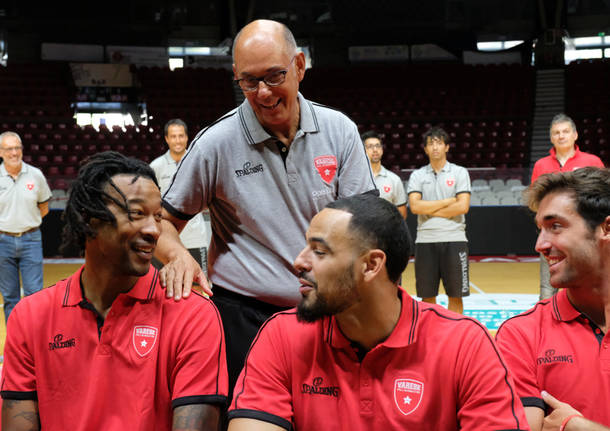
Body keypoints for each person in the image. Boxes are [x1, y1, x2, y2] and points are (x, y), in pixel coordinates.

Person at [155, 19, 376, 395]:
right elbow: (161, 222)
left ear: (300, 66)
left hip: (328, 311)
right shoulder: (215, 143)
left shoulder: (339, 130)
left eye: (275, 76)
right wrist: (176, 254)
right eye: (248, 81)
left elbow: (366, 224)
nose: (262, 93)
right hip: (243, 316)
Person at [227, 194, 528, 431]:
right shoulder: (281, 335)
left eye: (319, 251)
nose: (298, 261)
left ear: (371, 265)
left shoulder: (465, 343)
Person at [0, 152, 228, 430]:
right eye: (136, 213)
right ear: (89, 219)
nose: (153, 230)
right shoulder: (30, 317)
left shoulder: (193, 315)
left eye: (157, 216)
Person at [495, 167, 610, 431]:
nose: (540, 245)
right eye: (540, 229)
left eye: (555, 226)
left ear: (606, 228)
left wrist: (579, 427)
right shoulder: (520, 336)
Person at [530, 113, 604, 300]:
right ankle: (547, 327)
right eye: (556, 133)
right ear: (551, 137)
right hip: (552, 235)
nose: (561, 136)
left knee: (586, 281)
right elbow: (534, 201)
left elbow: (604, 198)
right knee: (548, 287)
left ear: (575, 135)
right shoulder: (541, 165)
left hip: (585, 236)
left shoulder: (592, 162)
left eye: (565, 131)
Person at [407, 126, 471, 314]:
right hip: (425, 240)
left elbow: (462, 207)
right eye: (430, 144)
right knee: (427, 296)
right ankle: (430, 335)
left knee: (456, 294)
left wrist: (430, 209)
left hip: (455, 239)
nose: (435, 147)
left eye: (439, 143)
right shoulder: (417, 175)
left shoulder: (460, 172)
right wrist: (447, 202)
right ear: (425, 149)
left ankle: (455, 334)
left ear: (447, 147)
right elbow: (415, 207)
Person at [0, 131, 52, 322]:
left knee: (34, 296)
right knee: (10, 297)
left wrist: (27, 222)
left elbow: (44, 207)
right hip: (2, 241)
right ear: (0, 152)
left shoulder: (35, 175)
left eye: (17, 148)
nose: (14, 153)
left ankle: (34, 344)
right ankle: (15, 345)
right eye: (9, 149)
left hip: (31, 239)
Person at [150, 119, 211, 274]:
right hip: (166, 239)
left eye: (181, 136)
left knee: (199, 286)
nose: (178, 140)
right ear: (167, 139)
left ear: (186, 138)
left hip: (196, 237)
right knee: (164, 285)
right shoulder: (156, 166)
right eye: (173, 136)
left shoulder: (198, 162)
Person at [362, 130, 407, 218]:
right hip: (362, 230)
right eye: (370, 146)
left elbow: (402, 214)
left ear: (382, 149)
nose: (375, 150)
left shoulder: (394, 179)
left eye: (377, 146)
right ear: (362, 150)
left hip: (387, 230)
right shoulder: (356, 179)